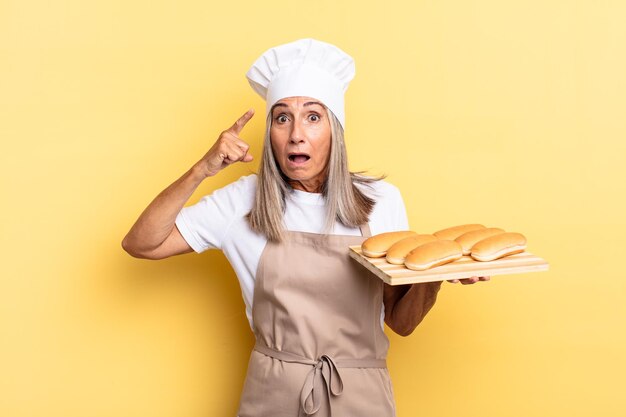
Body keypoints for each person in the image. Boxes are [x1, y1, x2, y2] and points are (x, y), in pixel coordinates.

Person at [122, 38, 489, 417]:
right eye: (282, 118)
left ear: (335, 130)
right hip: (273, 397)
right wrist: (203, 169)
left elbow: (401, 321)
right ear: (271, 134)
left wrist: (439, 272)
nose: (296, 133)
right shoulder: (241, 201)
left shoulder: (382, 200)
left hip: (362, 398)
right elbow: (142, 243)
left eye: (313, 117)